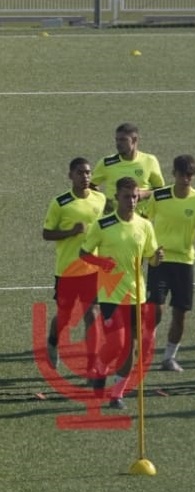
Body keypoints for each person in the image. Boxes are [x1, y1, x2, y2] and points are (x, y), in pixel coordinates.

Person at [79, 177, 164, 410]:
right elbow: (83, 253)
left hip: (137, 295)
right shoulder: (103, 225)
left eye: (135, 196)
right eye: (127, 196)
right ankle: (100, 365)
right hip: (110, 295)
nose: (132, 201)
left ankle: (116, 395)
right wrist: (101, 262)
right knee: (118, 343)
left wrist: (157, 258)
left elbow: (151, 258)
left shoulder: (145, 225)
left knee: (130, 347)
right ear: (117, 198)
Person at [147, 155, 195, 373]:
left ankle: (169, 357)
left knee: (180, 313)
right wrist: (149, 248)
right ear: (173, 174)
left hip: (185, 261)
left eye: (190, 175)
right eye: (182, 174)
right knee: (155, 308)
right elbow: (145, 221)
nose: (186, 179)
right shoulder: (159, 196)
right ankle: (148, 343)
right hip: (160, 259)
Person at [42, 157, 107, 369]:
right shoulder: (60, 203)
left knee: (92, 314)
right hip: (67, 270)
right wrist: (70, 232)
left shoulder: (100, 199)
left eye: (88, 173)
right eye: (80, 173)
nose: (85, 177)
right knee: (65, 317)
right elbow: (46, 233)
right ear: (70, 175)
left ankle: (92, 362)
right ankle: (52, 342)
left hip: (92, 270)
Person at [91, 122, 164, 215]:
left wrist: (144, 194)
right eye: (117, 140)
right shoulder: (106, 163)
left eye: (123, 140)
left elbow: (160, 191)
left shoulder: (149, 161)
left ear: (134, 140)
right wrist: (102, 200)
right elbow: (90, 186)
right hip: (113, 218)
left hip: (141, 218)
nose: (118, 144)